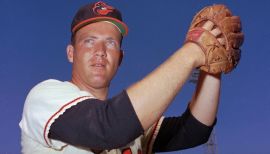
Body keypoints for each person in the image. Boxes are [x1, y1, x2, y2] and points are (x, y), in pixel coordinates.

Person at [19, 1, 242, 154]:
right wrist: (194, 51)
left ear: (120, 57)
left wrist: (212, 63)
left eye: (110, 42)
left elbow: (194, 131)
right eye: (89, 41)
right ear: (71, 53)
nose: (100, 50)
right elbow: (108, 127)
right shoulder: (45, 97)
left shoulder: (132, 124)